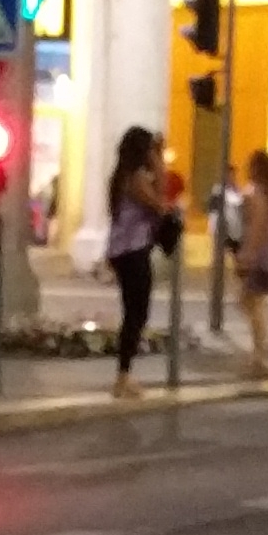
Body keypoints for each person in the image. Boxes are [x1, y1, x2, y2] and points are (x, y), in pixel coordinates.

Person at [102, 126, 166, 400]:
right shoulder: (136, 178)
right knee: (136, 314)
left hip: (123, 250)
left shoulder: (121, 176)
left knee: (134, 312)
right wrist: (159, 163)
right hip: (133, 250)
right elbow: (159, 203)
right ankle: (123, 376)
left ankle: (124, 375)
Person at [237, 151, 268, 374]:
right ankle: (264, 345)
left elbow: (257, 227)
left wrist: (248, 253)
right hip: (267, 251)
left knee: (251, 300)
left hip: (259, 252)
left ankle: (265, 345)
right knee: (252, 301)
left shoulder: (257, 193)